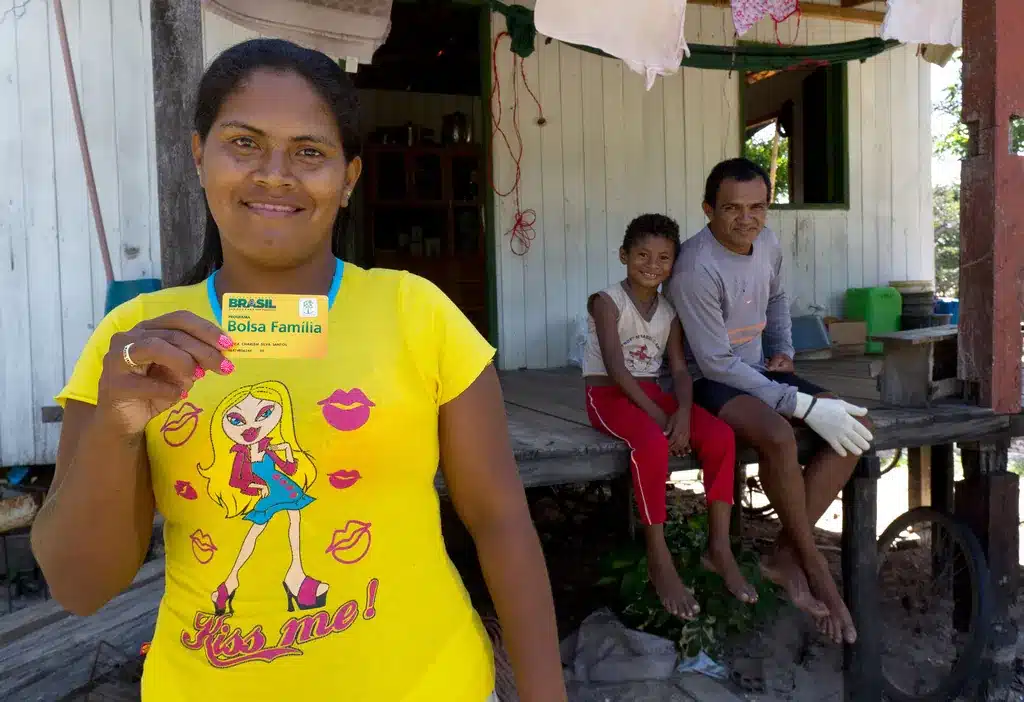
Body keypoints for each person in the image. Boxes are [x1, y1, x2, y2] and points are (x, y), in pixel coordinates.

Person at [30, 39, 566, 702]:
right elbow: (82, 588)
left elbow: (500, 520)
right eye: (244, 143)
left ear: (349, 179)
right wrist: (115, 428)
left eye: (309, 151)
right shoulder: (136, 342)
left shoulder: (416, 312)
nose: (275, 173)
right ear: (200, 157)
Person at [665, 158, 874, 646]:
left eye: (757, 207)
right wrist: (798, 405)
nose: (746, 218)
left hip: (758, 368)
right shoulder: (696, 267)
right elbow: (716, 365)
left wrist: (783, 349)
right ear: (708, 210)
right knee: (780, 435)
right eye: (732, 208)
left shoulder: (769, 243)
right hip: (708, 377)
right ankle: (816, 566)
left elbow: (777, 298)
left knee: (857, 425)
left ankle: (783, 556)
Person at [582, 214, 758, 621]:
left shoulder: (670, 310)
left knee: (719, 436)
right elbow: (615, 367)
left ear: (674, 263)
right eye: (642, 254)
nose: (652, 264)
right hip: (607, 394)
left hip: (653, 394)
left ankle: (719, 545)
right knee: (650, 441)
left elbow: (679, 370)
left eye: (663, 257)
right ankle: (657, 551)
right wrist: (663, 418)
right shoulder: (606, 301)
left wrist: (681, 411)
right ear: (624, 255)